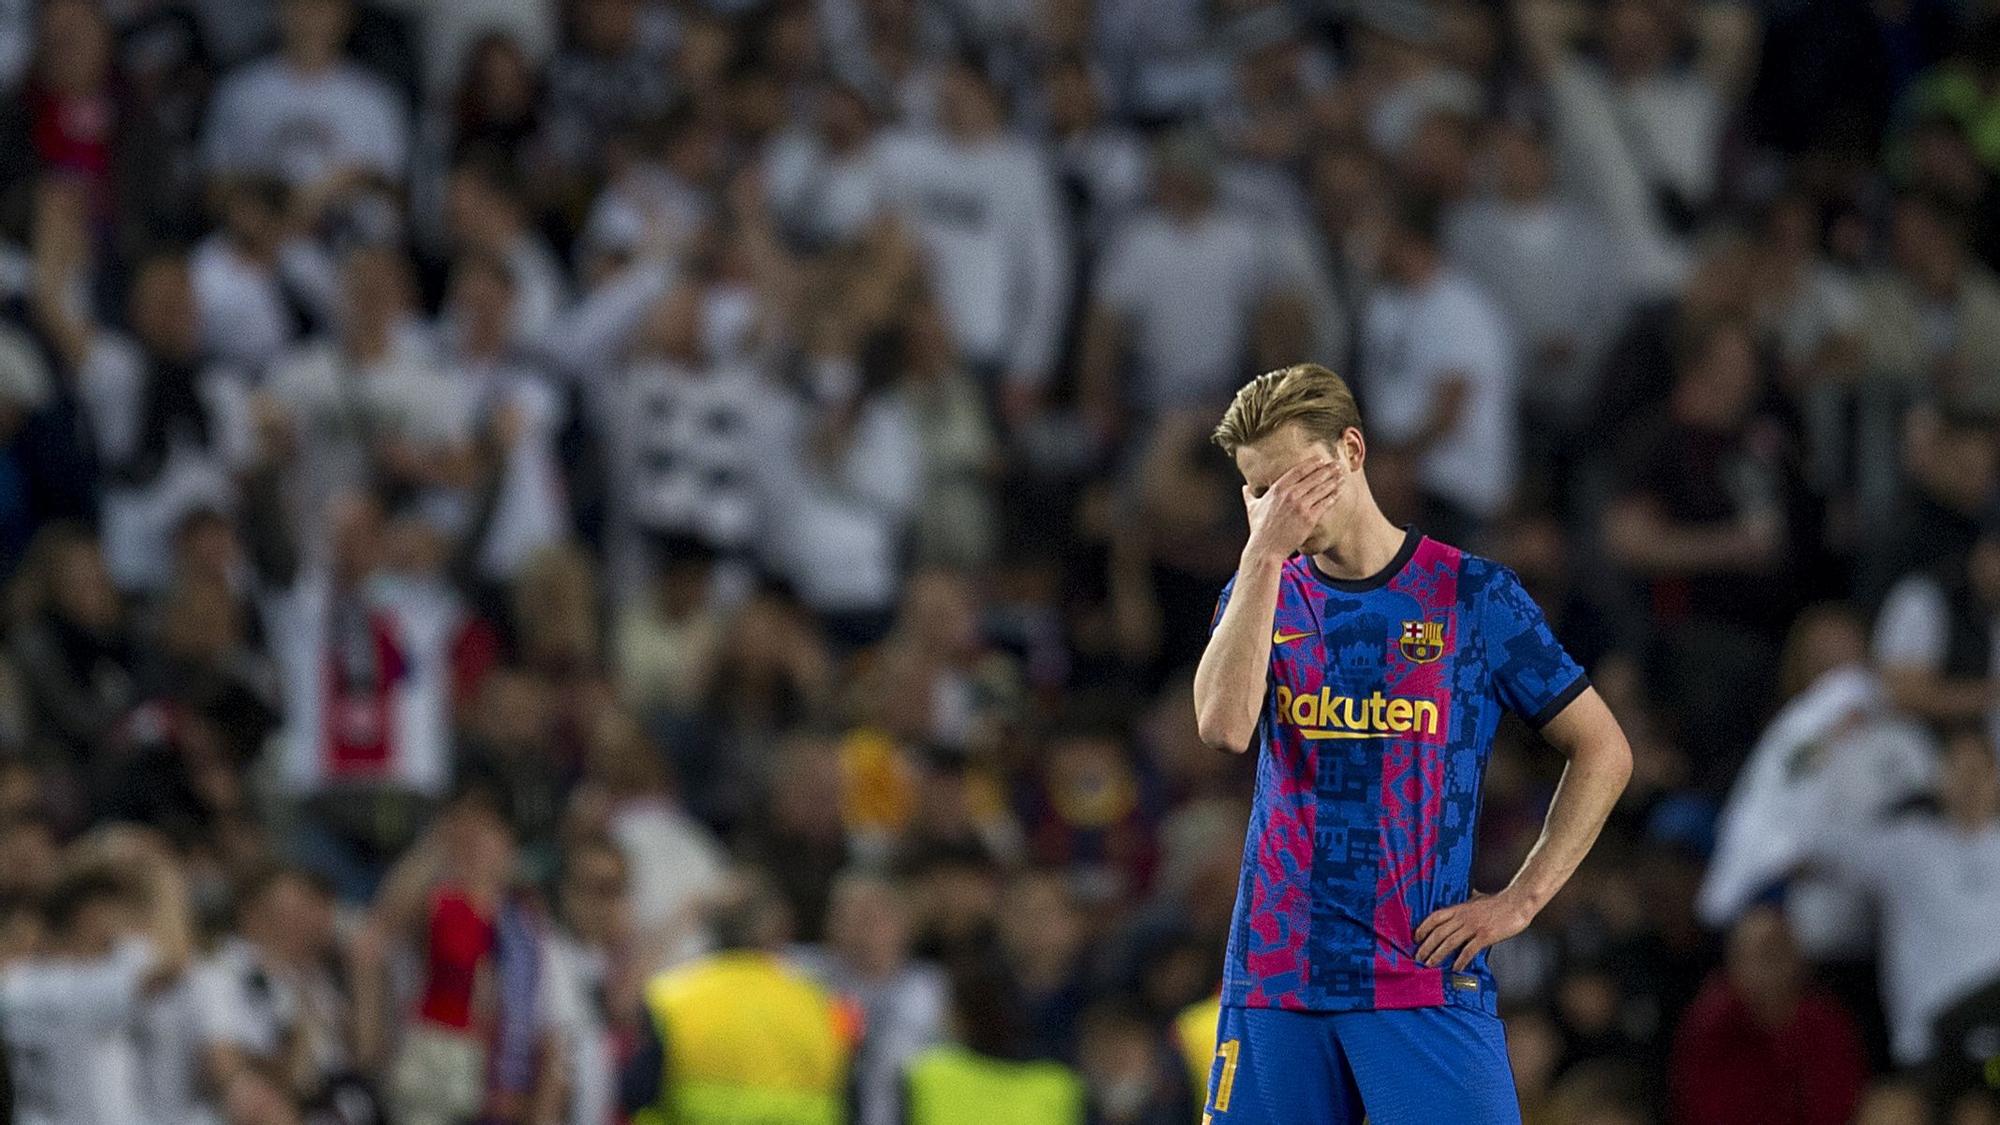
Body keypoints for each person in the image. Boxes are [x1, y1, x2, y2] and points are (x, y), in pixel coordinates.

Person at [1190, 363, 1632, 1122]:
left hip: (1418, 973)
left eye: (1295, 480)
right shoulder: (1261, 591)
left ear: (1351, 451)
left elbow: (1604, 749)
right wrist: (1261, 557)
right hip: (1276, 973)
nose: (1280, 509)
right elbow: (1225, 728)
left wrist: (1522, 899)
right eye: (1260, 492)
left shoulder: (1472, 594)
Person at [1808, 724, 2000, 1067]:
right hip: (1928, 1053)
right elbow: (1813, 847)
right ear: (1938, 778)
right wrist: (1824, 751)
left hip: (1995, 1058)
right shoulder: (1904, 847)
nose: (1969, 781)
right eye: (1957, 768)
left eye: (1980, 770)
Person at [620, 870, 854, 1125]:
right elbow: (850, 1096)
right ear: (780, 928)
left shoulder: (673, 997)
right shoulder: (822, 1002)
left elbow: (636, 1093)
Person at [0, 827, 195, 1125]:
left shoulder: (22, 982)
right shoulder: (54, 986)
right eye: (120, 908)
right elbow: (172, 965)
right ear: (87, 915)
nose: (130, 920)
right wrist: (161, 873)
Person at [1667, 905, 1868, 1125]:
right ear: (1734, 967)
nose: (1768, 970)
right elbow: (1697, 1109)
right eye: (1756, 957)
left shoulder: (1825, 1024)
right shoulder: (1711, 1025)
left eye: (1776, 954)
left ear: (1799, 961)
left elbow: (1839, 1106)